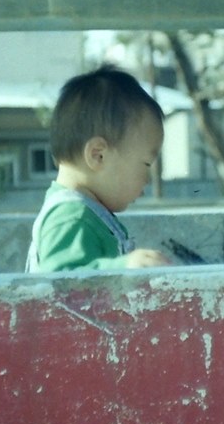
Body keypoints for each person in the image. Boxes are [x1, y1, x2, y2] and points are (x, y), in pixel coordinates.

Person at [26, 66, 172, 272]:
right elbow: (60, 286)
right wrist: (124, 266)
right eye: (146, 164)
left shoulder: (89, 212)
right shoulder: (71, 217)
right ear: (98, 155)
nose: (147, 179)